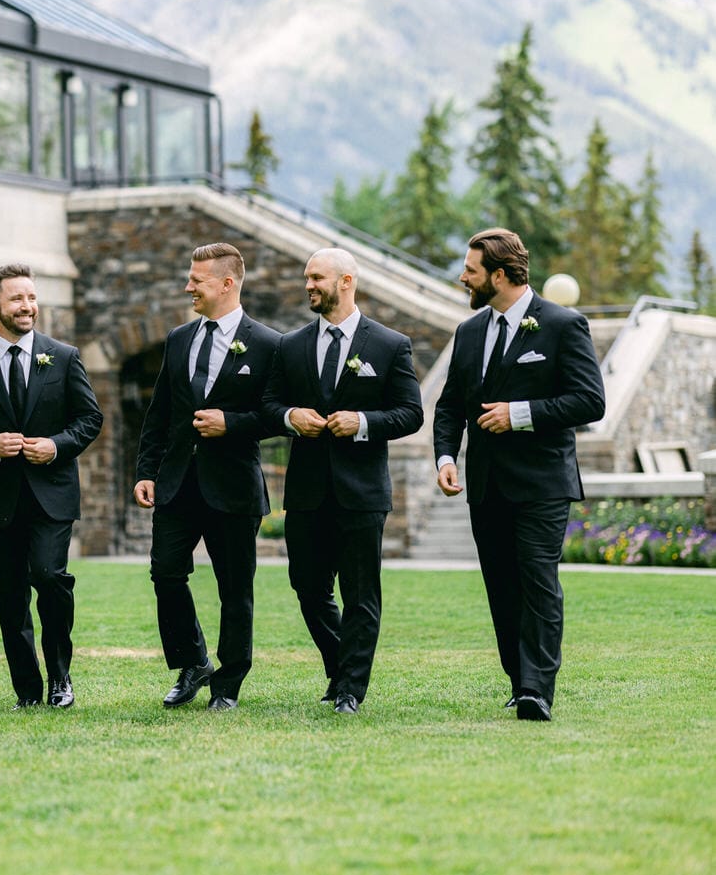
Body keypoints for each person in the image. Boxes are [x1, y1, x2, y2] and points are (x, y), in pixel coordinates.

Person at [433, 228, 605, 722]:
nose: (463, 278)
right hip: (485, 486)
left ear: (500, 275)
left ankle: (536, 689)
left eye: (471, 271)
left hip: (541, 484)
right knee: (501, 587)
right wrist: (446, 459)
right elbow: (449, 408)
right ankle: (518, 680)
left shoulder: (562, 325)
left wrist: (519, 413)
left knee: (537, 581)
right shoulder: (468, 332)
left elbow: (590, 401)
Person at [261, 248, 422, 714]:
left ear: (346, 281)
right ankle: (340, 666)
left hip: (362, 493)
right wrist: (292, 417)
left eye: (316, 278)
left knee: (359, 594)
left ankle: (350, 689)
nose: (308, 286)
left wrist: (363, 422)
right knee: (307, 587)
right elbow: (270, 404)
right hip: (307, 491)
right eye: (306, 278)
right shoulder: (289, 346)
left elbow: (411, 413)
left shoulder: (390, 345)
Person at [0, 264, 103, 709]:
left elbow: (90, 419)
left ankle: (60, 678)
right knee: (9, 597)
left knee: (50, 577)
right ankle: (28, 691)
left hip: (52, 494)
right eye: (17, 299)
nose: (27, 306)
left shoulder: (65, 356)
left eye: (31, 298)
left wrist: (56, 446)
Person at [132, 243, 281, 711]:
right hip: (176, 481)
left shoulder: (269, 344)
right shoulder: (179, 338)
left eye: (196, 280)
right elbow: (160, 413)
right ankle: (192, 661)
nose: (187, 287)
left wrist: (230, 423)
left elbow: (277, 416)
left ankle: (229, 683)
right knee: (165, 572)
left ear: (227, 283)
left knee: (235, 589)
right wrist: (145, 471)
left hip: (233, 487)